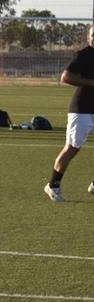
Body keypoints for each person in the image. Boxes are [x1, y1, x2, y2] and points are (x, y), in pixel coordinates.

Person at [44, 24, 94, 202]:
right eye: (93, 35)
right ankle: (52, 185)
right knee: (71, 148)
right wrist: (90, 82)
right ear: (88, 38)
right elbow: (65, 77)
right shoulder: (83, 55)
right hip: (81, 110)